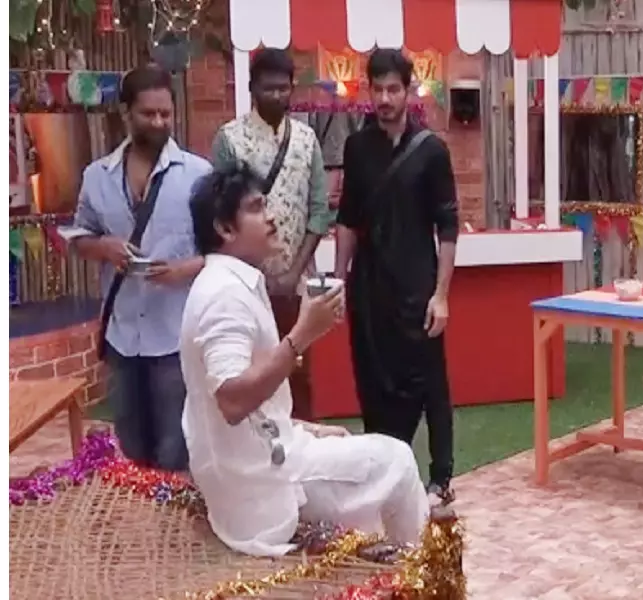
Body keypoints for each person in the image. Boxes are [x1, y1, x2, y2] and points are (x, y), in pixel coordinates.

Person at [180, 164, 429, 557]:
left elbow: (243, 405)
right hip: (260, 485)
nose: (272, 217)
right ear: (225, 229)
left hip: (257, 464)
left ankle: (403, 562)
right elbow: (231, 400)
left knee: (353, 447)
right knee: (396, 461)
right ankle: (422, 574)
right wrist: (303, 335)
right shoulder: (223, 295)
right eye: (256, 208)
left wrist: (305, 429)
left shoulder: (230, 283)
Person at [70, 65, 211, 471]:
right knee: (132, 452)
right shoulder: (97, 177)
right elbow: (78, 238)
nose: (160, 122)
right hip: (123, 336)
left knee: (175, 451)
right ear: (126, 113)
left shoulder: (198, 176)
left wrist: (184, 269)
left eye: (166, 114)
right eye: (149, 114)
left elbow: (222, 250)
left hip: (175, 336)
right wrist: (104, 247)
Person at [334, 49, 459, 506]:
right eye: (378, 89)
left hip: (418, 284)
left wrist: (441, 294)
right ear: (368, 91)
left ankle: (441, 478)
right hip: (370, 286)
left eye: (393, 89)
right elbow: (348, 220)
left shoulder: (432, 151)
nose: (385, 98)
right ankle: (383, 472)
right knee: (373, 377)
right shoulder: (357, 148)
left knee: (430, 381)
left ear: (408, 92)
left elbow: (448, 227)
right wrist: (339, 280)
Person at [211, 48, 331, 419]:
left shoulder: (307, 139)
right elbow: (222, 214)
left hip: (296, 284)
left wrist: (294, 273)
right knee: (255, 374)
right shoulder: (230, 140)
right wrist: (257, 274)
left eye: (284, 88)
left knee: (299, 375)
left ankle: (304, 445)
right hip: (246, 285)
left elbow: (319, 210)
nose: (277, 96)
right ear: (252, 89)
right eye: (268, 88)